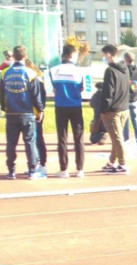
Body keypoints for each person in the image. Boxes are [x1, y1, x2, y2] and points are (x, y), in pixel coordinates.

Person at [1, 45, 46, 179]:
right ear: (25, 56)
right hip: (26, 113)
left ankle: (11, 170)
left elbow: (1, 93)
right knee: (30, 142)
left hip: (11, 113)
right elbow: (36, 95)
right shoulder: (31, 73)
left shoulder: (4, 73)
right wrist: (40, 110)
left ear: (13, 56)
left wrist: (4, 107)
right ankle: (32, 170)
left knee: (11, 143)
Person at [49, 44, 86, 178]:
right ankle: (80, 169)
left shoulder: (53, 70)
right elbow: (82, 89)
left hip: (60, 106)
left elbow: (53, 88)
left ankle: (64, 169)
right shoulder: (79, 71)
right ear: (72, 55)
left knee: (62, 138)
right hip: (76, 106)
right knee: (79, 137)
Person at [99, 44, 131, 174]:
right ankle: (112, 161)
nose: (104, 58)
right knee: (115, 137)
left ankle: (122, 164)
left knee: (117, 139)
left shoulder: (110, 71)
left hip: (113, 110)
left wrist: (103, 109)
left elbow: (108, 92)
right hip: (124, 107)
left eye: (105, 56)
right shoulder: (125, 69)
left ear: (109, 55)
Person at [25, 59, 49, 176]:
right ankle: (34, 163)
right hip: (30, 112)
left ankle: (42, 164)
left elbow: (41, 98)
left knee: (37, 137)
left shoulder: (37, 80)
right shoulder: (33, 79)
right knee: (31, 139)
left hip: (36, 113)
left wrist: (40, 110)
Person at [122, 51, 137, 150]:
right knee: (135, 121)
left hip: (126, 98)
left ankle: (126, 141)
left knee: (126, 122)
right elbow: (136, 86)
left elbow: (133, 86)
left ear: (126, 60)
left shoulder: (124, 70)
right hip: (135, 98)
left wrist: (129, 83)